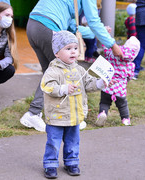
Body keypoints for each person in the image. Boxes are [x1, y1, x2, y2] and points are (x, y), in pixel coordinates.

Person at [20, 0, 124, 132]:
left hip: (33, 25)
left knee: (50, 73)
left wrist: (99, 32)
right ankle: (59, 117)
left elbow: (72, 27)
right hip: (48, 27)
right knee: (69, 71)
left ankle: (38, 113)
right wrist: (112, 44)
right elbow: (93, 21)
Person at [41, 30, 114, 179]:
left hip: (74, 114)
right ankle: (50, 164)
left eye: (75, 48)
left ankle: (71, 162)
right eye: (68, 49)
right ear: (57, 53)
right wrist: (63, 88)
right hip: (57, 115)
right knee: (53, 142)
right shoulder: (53, 70)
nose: (73, 52)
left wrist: (100, 83)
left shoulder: (79, 69)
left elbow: (88, 84)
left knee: (73, 141)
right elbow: (46, 86)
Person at [96, 36, 140, 127]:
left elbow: (106, 48)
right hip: (120, 89)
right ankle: (125, 119)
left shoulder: (112, 53)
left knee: (104, 102)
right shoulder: (130, 64)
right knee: (122, 105)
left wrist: (106, 37)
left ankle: (102, 113)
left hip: (107, 84)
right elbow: (130, 76)